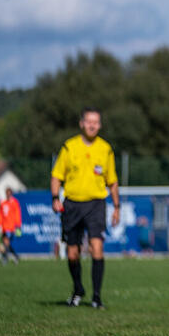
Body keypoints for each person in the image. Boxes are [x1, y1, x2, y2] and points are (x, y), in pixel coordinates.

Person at [51, 107, 120, 309]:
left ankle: (97, 297)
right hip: (72, 204)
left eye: (96, 122)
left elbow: (112, 181)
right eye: (89, 121)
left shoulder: (105, 149)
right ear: (81, 123)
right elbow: (56, 176)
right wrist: (55, 197)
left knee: (96, 247)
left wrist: (116, 206)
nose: (92, 125)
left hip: (96, 204)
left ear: (100, 125)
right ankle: (78, 288)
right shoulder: (69, 147)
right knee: (72, 253)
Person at [0, 188, 22, 265]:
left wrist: (17, 226)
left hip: (11, 227)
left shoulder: (14, 203)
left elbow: (17, 214)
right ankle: (15, 256)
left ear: (11, 194)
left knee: (6, 242)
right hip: (4, 227)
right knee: (6, 243)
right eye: (7, 193)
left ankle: (5, 258)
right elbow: (0, 214)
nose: (8, 195)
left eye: (9, 193)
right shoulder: (3, 203)